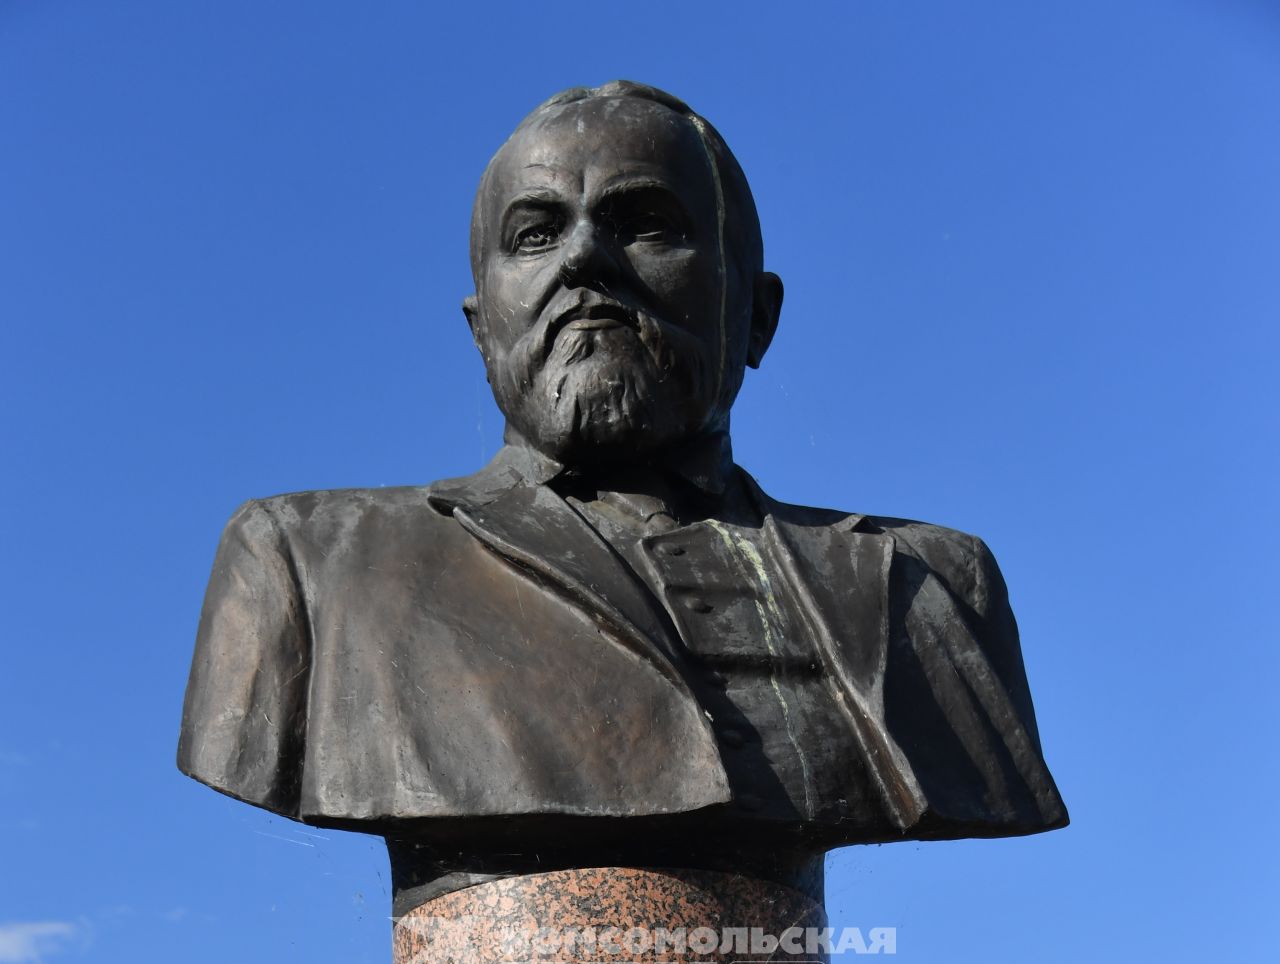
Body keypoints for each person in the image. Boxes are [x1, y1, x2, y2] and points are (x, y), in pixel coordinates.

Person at [179, 80, 1066, 907]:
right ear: (481, 328)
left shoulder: (929, 587)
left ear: (757, 315)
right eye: (535, 233)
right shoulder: (311, 567)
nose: (585, 259)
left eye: (645, 224)